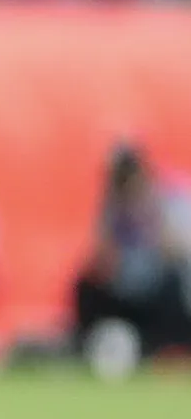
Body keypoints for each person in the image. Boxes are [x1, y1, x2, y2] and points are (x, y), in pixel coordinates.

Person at [72, 142, 191, 361]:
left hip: (159, 290)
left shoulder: (170, 199)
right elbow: (102, 259)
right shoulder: (113, 207)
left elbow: (177, 252)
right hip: (125, 291)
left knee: (174, 283)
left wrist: (151, 218)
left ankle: (165, 347)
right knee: (85, 287)